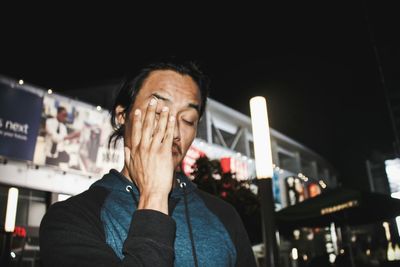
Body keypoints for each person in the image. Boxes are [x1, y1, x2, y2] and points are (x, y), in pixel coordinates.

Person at [39, 58, 257, 267]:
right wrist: (154, 195)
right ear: (122, 115)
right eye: (159, 111)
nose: (173, 131)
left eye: (188, 119)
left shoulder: (224, 216)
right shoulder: (72, 218)